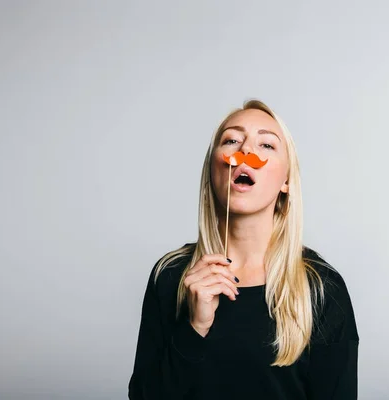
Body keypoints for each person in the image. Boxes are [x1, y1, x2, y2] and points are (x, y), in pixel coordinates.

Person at [128, 100, 359, 399]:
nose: (246, 153)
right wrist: (194, 327)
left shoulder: (322, 288)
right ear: (214, 167)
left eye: (266, 145)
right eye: (232, 140)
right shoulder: (170, 276)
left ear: (286, 181)